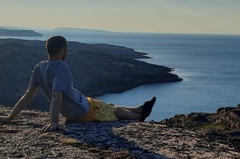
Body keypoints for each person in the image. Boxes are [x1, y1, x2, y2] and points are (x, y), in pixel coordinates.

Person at [0, 36, 156, 132]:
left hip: (77, 108)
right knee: (114, 110)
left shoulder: (39, 67)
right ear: (62, 50)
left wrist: (10, 117)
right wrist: (54, 122)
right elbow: (56, 94)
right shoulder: (61, 66)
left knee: (106, 104)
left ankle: (139, 108)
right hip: (82, 110)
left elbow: (28, 96)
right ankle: (140, 115)